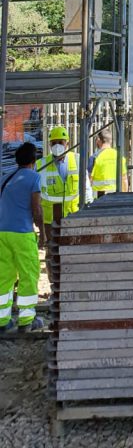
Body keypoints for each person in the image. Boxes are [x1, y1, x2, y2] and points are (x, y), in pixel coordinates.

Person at [0, 142, 44, 333]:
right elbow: (36, 208)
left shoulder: (4, 178)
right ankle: (26, 321)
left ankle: (2, 321)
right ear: (33, 161)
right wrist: (42, 231)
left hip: (2, 233)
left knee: (4, 277)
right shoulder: (34, 177)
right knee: (28, 274)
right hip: (22, 233)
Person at [36, 126, 85, 284]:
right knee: (52, 253)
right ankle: (54, 285)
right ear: (50, 145)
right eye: (54, 142)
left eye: (60, 142)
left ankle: (73, 282)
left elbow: (87, 189)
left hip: (73, 216)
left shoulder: (77, 160)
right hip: (50, 220)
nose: (57, 145)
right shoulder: (41, 165)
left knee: (73, 250)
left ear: (67, 143)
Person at [90, 129, 128, 196]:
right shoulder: (119, 156)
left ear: (98, 140)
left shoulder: (95, 157)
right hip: (116, 196)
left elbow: (89, 180)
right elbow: (124, 179)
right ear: (110, 141)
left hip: (99, 197)